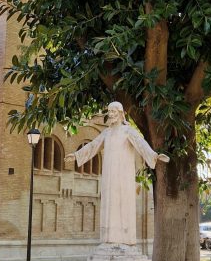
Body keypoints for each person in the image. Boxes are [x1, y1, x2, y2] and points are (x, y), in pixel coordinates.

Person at [66, 102, 169, 248]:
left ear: (121, 113)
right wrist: (76, 156)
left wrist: (154, 156)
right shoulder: (107, 132)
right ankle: (109, 239)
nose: (111, 114)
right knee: (110, 203)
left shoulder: (128, 131)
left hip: (124, 175)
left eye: (114, 111)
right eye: (109, 111)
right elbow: (94, 145)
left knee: (123, 203)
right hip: (109, 175)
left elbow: (141, 144)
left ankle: (125, 239)